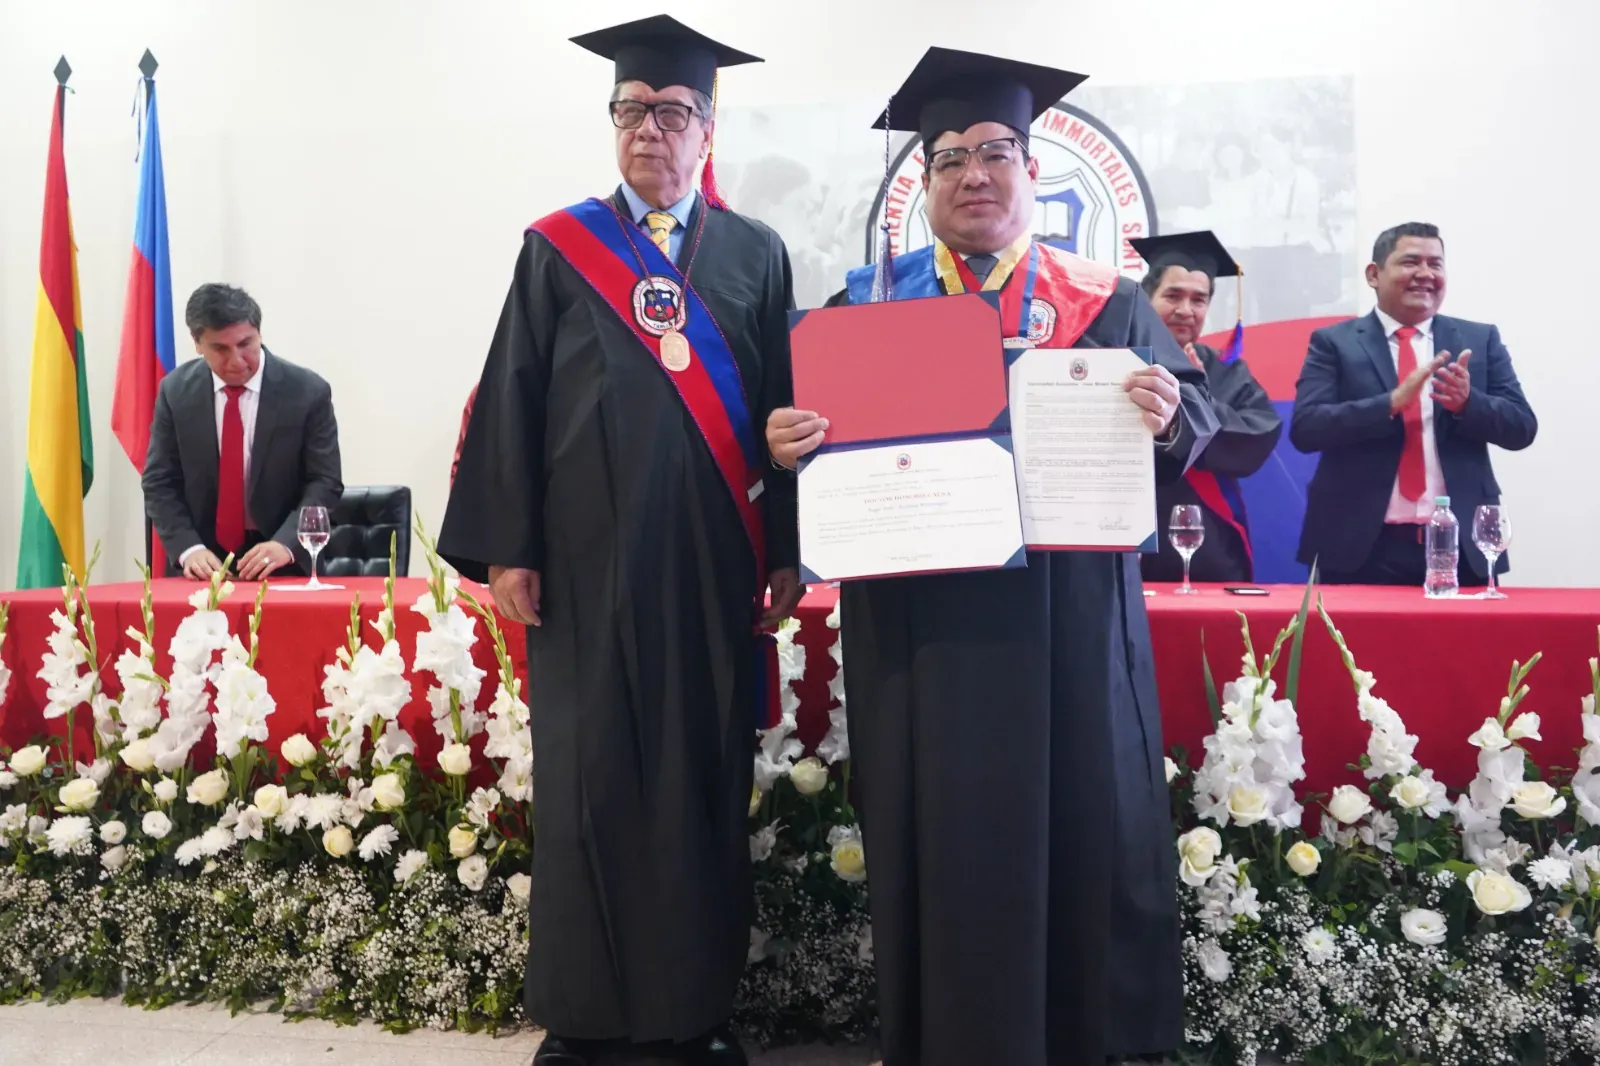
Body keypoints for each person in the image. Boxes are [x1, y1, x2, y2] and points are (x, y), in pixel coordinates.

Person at [766, 47, 1219, 1066]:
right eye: (948, 157)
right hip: (924, 632)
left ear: (1032, 169)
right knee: (944, 826)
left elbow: (1199, 429)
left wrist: (1168, 415)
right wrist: (792, 449)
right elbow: (830, 470)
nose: (974, 172)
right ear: (921, 185)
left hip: (1068, 618)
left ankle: (1078, 1039)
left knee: (1078, 817)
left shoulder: (1108, 302)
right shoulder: (863, 311)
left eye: (995, 152)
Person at [437, 16, 802, 1066]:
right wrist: (510, 547)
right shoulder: (558, 247)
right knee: (588, 787)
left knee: (698, 784)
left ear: (707, 126)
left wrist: (781, 548)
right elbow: (511, 396)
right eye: (633, 109)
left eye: (674, 111)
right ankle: (586, 1016)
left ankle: (694, 1012)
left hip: (708, 572)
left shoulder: (756, 254)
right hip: (587, 576)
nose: (651, 128)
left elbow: (787, 410)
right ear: (614, 122)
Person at [1290, 222, 1537, 585]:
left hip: (1460, 546)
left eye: (1435, 264)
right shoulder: (1334, 342)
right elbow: (1307, 428)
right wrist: (1389, 403)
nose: (1425, 274)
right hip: (1359, 547)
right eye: (1410, 262)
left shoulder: (1478, 339)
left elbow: (1522, 428)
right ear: (1374, 274)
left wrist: (1469, 404)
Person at [142, 283, 342, 582]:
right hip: (202, 566)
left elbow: (324, 481)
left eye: (245, 344)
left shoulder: (306, 392)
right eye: (220, 349)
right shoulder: (175, 392)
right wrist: (188, 548)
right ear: (197, 343)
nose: (236, 360)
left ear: (259, 334)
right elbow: (159, 481)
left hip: (281, 562)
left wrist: (285, 545)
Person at [1130, 230, 1281, 583]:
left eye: (1199, 299)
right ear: (1147, 298)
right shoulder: (1119, 362)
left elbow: (1259, 433)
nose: (1186, 310)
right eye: (1173, 295)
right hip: (1130, 528)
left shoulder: (1225, 370)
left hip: (1205, 534)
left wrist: (1196, 398)